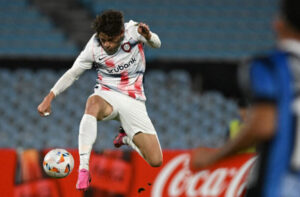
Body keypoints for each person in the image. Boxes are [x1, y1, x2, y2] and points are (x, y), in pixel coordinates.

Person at [37, 10, 163, 191]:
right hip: (107, 93)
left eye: (111, 40)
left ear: (121, 33)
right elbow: (73, 73)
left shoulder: (134, 32)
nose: (107, 44)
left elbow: (157, 44)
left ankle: (126, 138)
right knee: (92, 103)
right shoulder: (93, 47)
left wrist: (149, 36)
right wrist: (49, 97)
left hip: (134, 100)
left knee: (156, 161)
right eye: (103, 39)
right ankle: (83, 168)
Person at [190, 0, 300, 196]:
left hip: (277, 186)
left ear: (279, 23)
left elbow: (263, 125)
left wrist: (213, 157)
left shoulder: (269, 65)